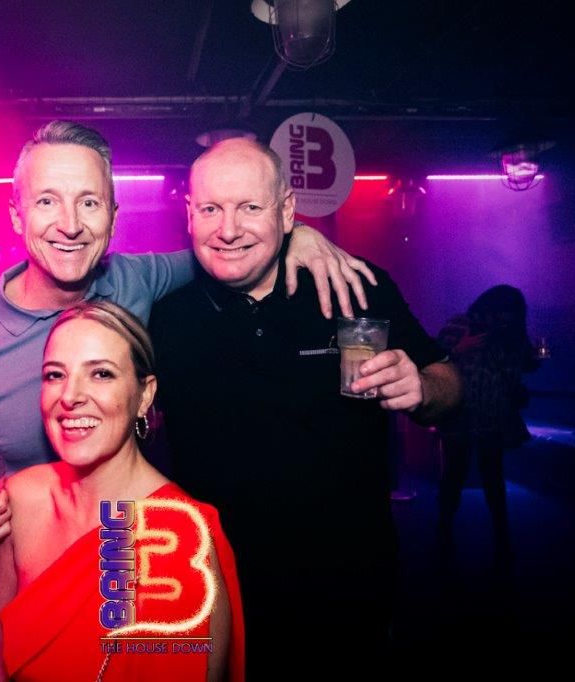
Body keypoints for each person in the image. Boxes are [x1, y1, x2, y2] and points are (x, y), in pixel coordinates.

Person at [0, 120, 374, 644]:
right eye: (47, 201)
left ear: (113, 218)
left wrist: (300, 237)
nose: (70, 224)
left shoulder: (136, 281)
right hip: (18, 615)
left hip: (142, 609)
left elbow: (229, 246)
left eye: (89, 202)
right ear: (17, 215)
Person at [146, 139, 461, 671]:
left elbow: (449, 384)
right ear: (190, 214)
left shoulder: (355, 287)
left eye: (250, 207)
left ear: (287, 210)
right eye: (211, 209)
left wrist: (424, 388)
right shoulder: (165, 315)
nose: (228, 229)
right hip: (213, 594)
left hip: (346, 592)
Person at [0, 301, 243, 681]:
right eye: (55, 375)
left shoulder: (184, 536)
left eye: (101, 374)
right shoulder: (21, 499)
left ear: (144, 395)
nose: (70, 396)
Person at [435, 285, 539, 568]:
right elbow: (433, 357)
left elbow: (524, 365)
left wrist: (534, 359)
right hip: (460, 410)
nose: (506, 316)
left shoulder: (513, 333)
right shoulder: (461, 323)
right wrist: (458, 349)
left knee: (492, 476)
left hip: (492, 412)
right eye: (504, 310)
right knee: (455, 475)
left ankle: (501, 539)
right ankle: (444, 534)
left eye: (512, 311)